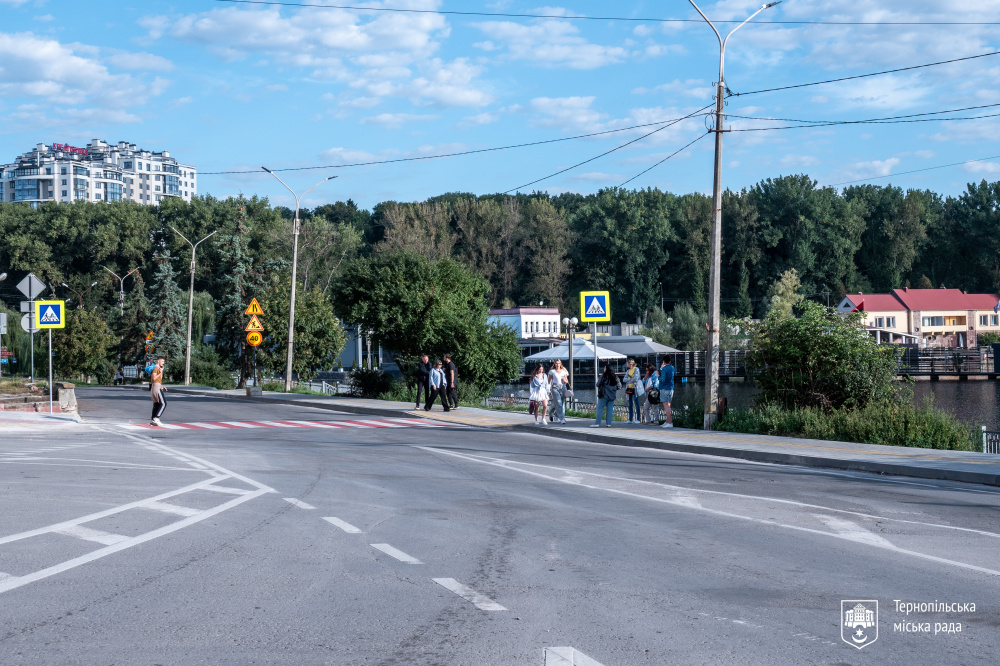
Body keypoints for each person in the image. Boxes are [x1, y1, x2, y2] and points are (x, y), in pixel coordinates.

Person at [591, 364, 621, 428]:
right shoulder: (615, 377)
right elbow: (619, 386)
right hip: (612, 396)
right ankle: (609, 423)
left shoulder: (603, 376)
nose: (604, 369)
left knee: (600, 409)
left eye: (605, 368)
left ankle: (597, 423)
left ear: (606, 369)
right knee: (610, 410)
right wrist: (613, 389)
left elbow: (597, 384)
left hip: (603, 395)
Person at [547, 359, 569, 425]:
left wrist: (564, 380)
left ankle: (556, 416)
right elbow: (548, 381)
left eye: (558, 363)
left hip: (562, 387)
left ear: (560, 364)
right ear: (554, 364)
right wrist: (548, 390)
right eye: (556, 363)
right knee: (558, 403)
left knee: (561, 403)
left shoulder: (563, 371)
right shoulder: (552, 371)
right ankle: (562, 418)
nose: (557, 365)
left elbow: (567, 381)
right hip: (555, 388)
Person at [148, 356, 167, 426]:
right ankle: (156, 418)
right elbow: (154, 378)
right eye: (162, 361)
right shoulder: (155, 368)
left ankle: (153, 420)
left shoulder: (158, 368)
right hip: (156, 386)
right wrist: (160, 372)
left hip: (157, 385)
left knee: (157, 404)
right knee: (163, 403)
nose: (163, 363)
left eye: (164, 362)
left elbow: (160, 378)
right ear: (158, 361)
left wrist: (161, 371)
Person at [622, 358, 642, 423]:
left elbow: (636, 378)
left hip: (635, 388)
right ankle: (630, 419)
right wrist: (631, 379)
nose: (626, 364)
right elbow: (624, 379)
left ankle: (638, 419)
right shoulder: (628, 371)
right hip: (629, 389)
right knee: (630, 404)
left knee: (636, 403)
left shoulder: (636, 369)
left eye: (627, 363)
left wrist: (629, 379)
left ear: (630, 363)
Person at [659, 354, 675, 428]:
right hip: (671, 388)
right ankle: (667, 421)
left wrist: (657, 375)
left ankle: (670, 422)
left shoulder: (664, 369)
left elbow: (662, 379)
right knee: (669, 405)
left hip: (664, 388)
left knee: (666, 406)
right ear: (670, 361)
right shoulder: (672, 368)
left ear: (663, 361)